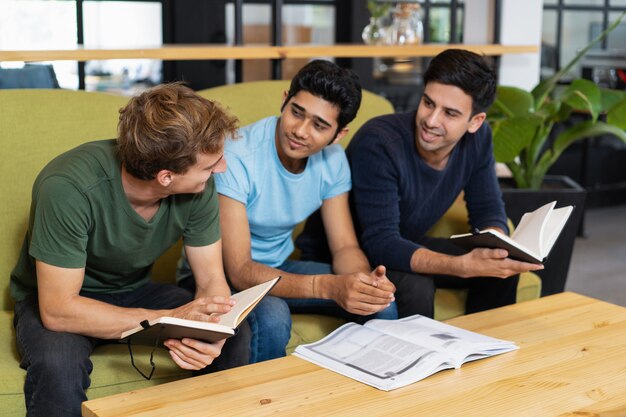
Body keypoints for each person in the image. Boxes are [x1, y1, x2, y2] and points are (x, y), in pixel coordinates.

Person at [10, 83, 251, 417]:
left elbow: (211, 282)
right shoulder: (68, 188)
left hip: (134, 290)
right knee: (57, 365)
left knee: (236, 336)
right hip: (60, 299)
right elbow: (58, 310)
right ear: (166, 177)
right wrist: (164, 319)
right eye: (210, 166)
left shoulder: (198, 187)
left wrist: (215, 332)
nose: (221, 169)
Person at [177, 60, 397, 363]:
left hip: (278, 268)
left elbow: (345, 245)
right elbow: (239, 270)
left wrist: (362, 283)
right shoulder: (238, 155)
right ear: (284, 100)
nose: (300, 131)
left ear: (339, 134)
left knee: (380, 303)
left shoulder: (332, 161)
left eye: (320, 126)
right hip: (216, 276)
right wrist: (327, 286)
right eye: (296, 112)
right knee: (273, 316)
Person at [343, 49, 544, 318]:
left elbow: (487, 208)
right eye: (428, 103)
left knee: (500, 269)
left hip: (405, 242)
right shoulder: (380, 143)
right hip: (356, 253)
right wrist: (461, 265)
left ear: (475, 122)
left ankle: (484, 351)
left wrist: (497, 248)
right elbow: (381, 242)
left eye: (449, 113)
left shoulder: (478, 138)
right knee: (417, 287)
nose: (431, 120)